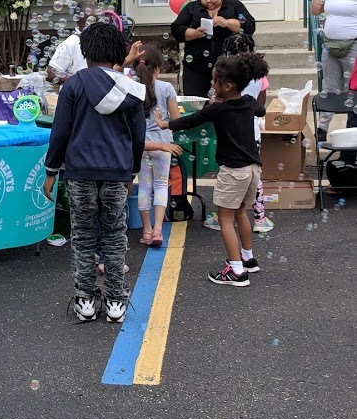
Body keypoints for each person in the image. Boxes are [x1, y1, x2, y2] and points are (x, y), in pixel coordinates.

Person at [43, 22, 146, 323]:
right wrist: (131, 173)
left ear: (84, 51)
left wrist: (52, 169)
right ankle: (116, 302)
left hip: (80, 173)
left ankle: (85, 300)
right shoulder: (131, 88)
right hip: (117, 172)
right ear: (118, 52)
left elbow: (60, 131)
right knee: (115, 237)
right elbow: (138, 137)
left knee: (84, 236)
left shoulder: (73, 85)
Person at [156, 55, 267, 287]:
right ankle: (248, 259)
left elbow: (190, 121)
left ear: (227, 86)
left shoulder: (217, 110)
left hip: (233, 171)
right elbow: (261, 111)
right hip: (253, 169)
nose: (211, 85)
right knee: (241, 212)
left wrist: (164, 124)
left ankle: (236, 272)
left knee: (225, 218)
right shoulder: (247, 101)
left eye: (215, 81)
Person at [203, 33, 274, 234]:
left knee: (229, 173)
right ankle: (260, 218)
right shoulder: (258, 76)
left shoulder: (226, 76)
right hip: (252, 130)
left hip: (230, 130)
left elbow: (217, 100)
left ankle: (223, 215)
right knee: (253, 175)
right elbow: (261, 102)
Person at [129, 45, 183, 247]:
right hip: (163, 144)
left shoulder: (131, 87)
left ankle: (146, 230)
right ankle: (159, 230)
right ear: (158, 69)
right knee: (161, 185)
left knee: (143, 186)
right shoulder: (167, 88)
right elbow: (176, 120)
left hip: (140, 145)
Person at [171, 0, 256, 98]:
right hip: (196, 68)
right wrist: (194, 33)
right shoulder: (192, 8)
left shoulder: (234, 5)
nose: (208, 1)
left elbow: (249, 26)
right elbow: (176, 28)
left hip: (227, 69)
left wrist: (226, 23)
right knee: (197, 104)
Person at [311, 0, 357, 141]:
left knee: (351, 90)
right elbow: (315, 10)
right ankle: (322, 129)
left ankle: (350, 130)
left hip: (353, 45)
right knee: (329, 89)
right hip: (330, 46)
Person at [46, 1, 142, 83]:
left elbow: (107, 71)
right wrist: (79, 83)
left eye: (96, 20)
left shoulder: (101, 39)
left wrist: (128, 59)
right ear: (77, 21)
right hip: (77, 99)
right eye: (88, 21)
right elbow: (51, 73)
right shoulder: (70, 44)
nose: (93, 24)